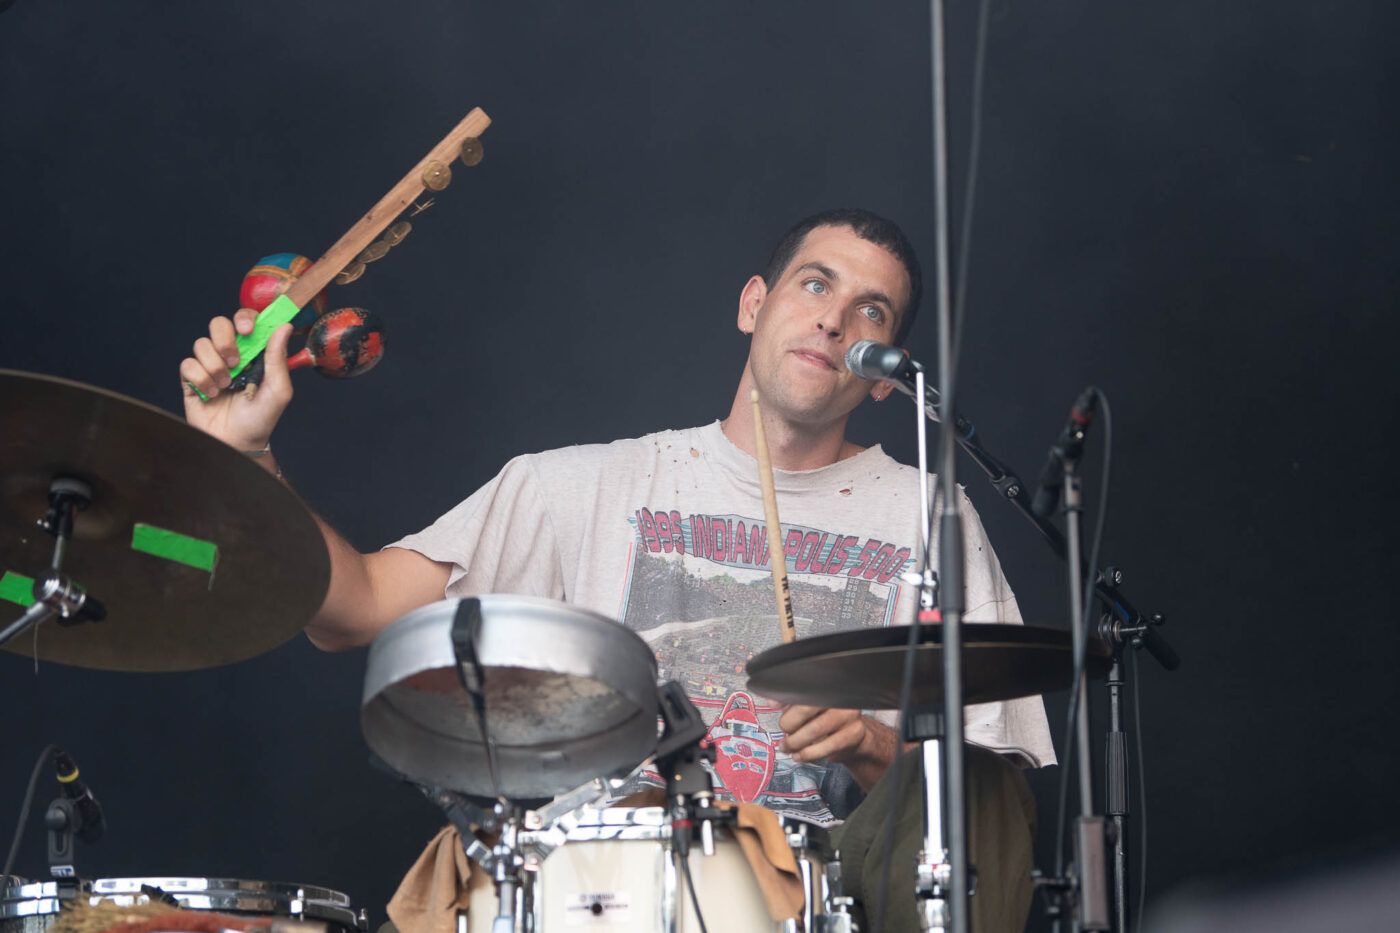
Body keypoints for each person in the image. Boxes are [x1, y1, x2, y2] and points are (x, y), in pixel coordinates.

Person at [180, 208, 1049, 930]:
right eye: (815, 284)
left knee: (977, 792)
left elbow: (987, 826)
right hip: (603, 885)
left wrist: (872, 748)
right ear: (755, 304)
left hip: (825, 897)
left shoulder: (928, 516)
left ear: (890, 376)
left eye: (872, 312)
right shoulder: (579, 486)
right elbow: (353, 610)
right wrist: (250, 457)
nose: (833, 318)